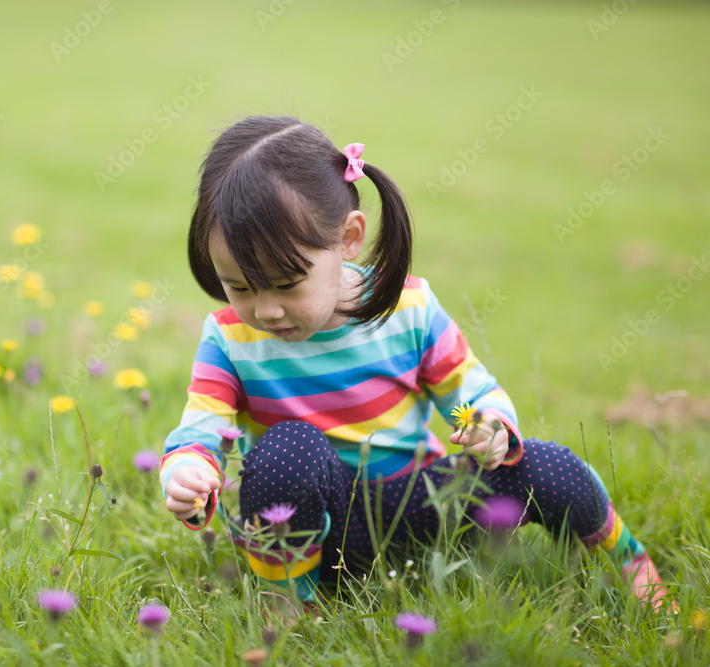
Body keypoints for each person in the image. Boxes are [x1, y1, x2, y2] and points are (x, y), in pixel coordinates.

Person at [158, 115, 672, 610]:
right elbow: (199, 428)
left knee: (542, 464)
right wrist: (187, 469)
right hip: (313, 528)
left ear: (349, 238)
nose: (266, 310)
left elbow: (473, 390)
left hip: (421, 509)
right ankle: (290, 605)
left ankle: (630, 564)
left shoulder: (409, 310)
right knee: (286, 449)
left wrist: (492, 426)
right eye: (240, 287)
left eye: (287, 283)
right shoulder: (228, 338)